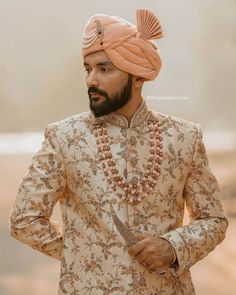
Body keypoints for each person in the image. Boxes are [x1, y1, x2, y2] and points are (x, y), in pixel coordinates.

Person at [9, 9, 228, 295]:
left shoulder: (184, 138)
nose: (91, 80)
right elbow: (24, 220)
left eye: (105, 68)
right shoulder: (64, 138)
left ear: (137, 76)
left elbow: (213, 220)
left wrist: (173, 247)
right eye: (88, 69)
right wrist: (89, 256)